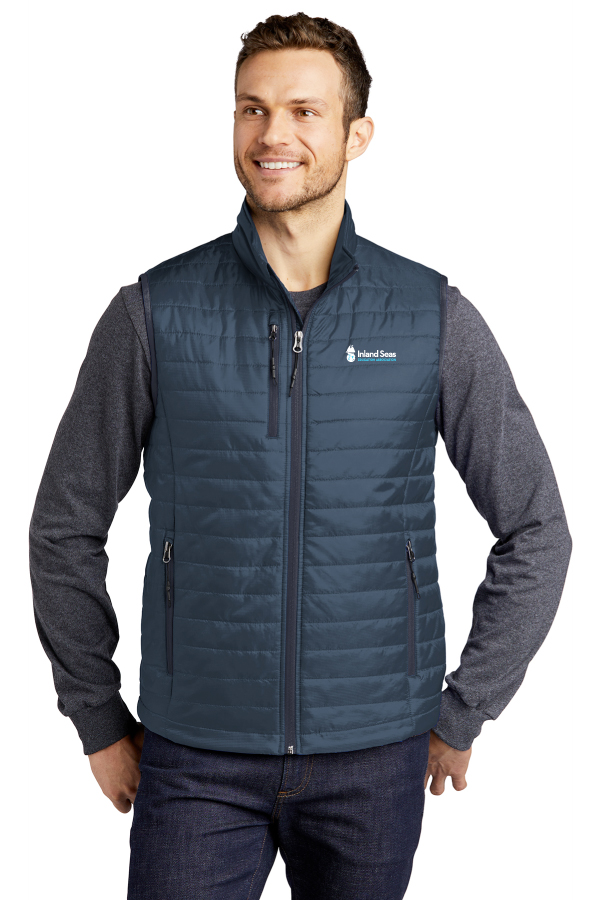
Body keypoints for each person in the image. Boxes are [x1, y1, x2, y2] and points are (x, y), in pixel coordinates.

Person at [29, 12, 572, 900]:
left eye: (304, 111)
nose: (272, 134)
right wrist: (95, 714)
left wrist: (465, 706)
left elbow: (538, 528)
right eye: (252, 109)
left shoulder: (430, 317)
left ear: (358, 134)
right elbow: (64, 525)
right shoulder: (153, 314)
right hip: (196, 756)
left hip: (375, 756)